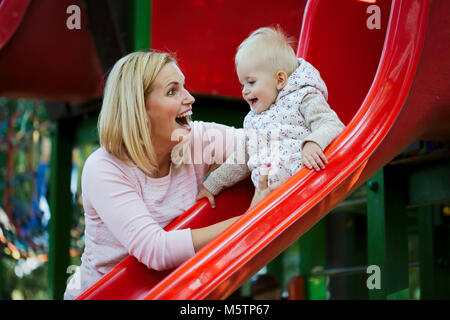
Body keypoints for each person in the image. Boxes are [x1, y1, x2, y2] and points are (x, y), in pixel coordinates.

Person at [63, 51, 249, 299]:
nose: (190, 98)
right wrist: (245, 222)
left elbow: (265, 145)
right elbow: (155, 250)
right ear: (139, 109)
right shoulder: (104, 167)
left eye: (184, 87)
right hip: (105, 294)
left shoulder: (194, 139)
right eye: (173, 91)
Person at [196, 27, 345, 208]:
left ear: (280, 79)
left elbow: (332, 124)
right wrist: (212, 185)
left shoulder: (302, 97)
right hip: (266, 197)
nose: (245, 90)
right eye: (242, 84)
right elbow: (242, 158)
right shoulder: (254, 119)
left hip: (301, 183)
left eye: (251, 82)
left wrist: (313, 143)